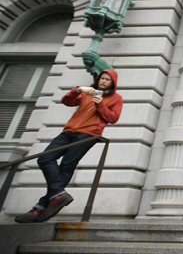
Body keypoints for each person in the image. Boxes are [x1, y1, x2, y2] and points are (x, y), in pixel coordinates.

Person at [15, 69, 123, 223]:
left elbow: (113, 118)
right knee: (45, 159)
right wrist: (77, 89)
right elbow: (67, 101)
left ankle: (39, 207)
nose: (104, 81)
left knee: (67, 165)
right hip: (68, 131)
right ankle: (57, 194)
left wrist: (101, 106)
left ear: (113, 83)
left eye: (108, 80)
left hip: (88, 134)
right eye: (102, 78)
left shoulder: (116, 98)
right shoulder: (87, 92)